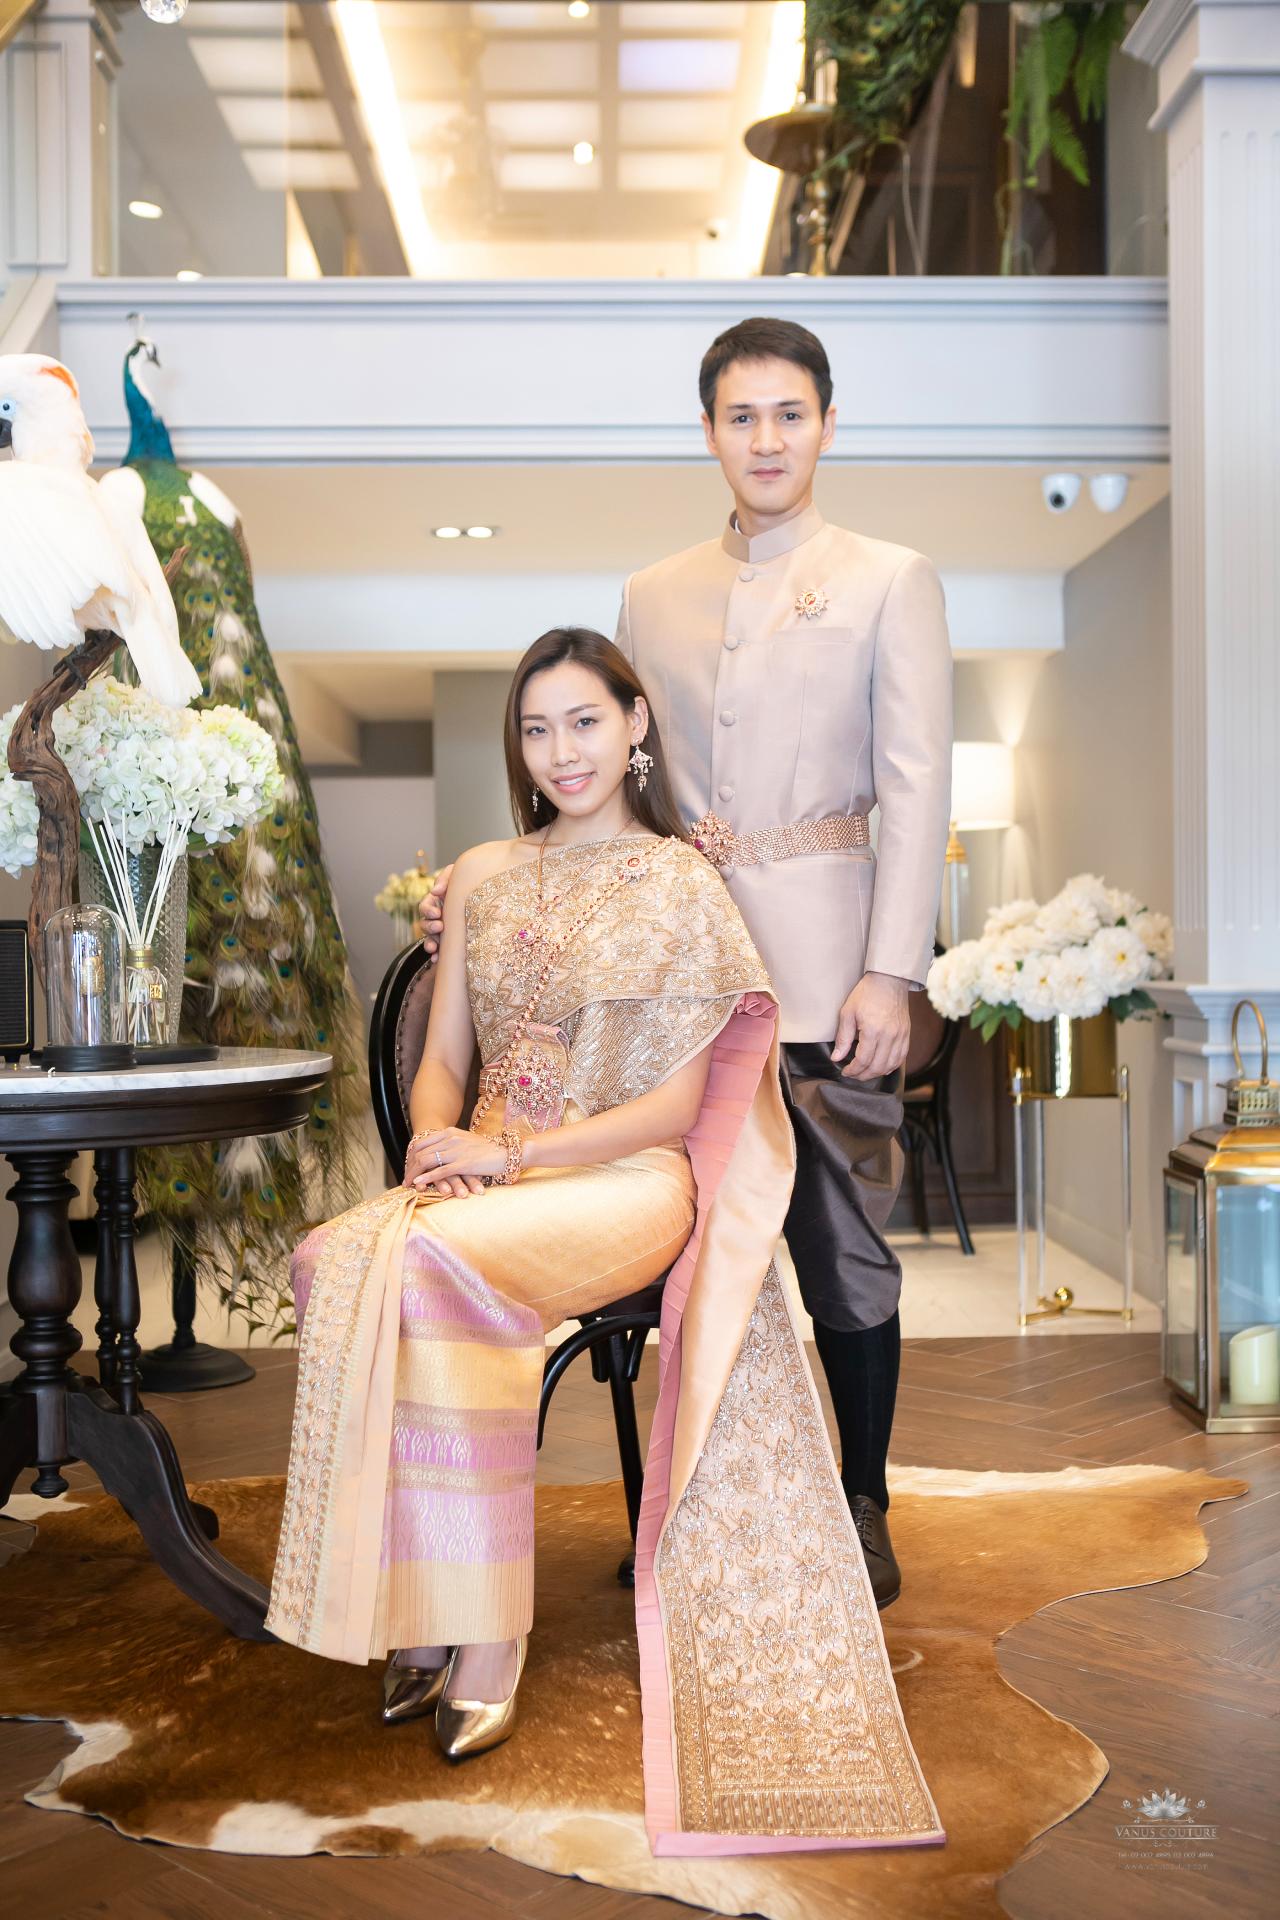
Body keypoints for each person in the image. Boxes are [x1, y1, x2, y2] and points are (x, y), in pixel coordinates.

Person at [272, 628, 941, 1853]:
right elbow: (443, 1058)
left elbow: (677, 1111)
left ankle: (483, 1630)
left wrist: (511, 1160)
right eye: (536, 729)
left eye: (584, 721)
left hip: (622, 1183)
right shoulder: (481, 872)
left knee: (432, 1262)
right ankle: (423, 1602)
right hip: (483, 1174)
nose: (560, 751)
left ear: (634, 726)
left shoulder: (679, 882)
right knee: (333, 1258)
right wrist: (435, 1140)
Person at [424, 318, 953, 1609]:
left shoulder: (891, 578)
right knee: (685, 1260)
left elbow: (914, 784)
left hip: (827, 977)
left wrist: (892, 970)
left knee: (840, 1251)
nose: (765, 439)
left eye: (789, 413)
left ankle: (863, 1501)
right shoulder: (649, 594)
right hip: (667, 987)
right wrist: (483, 894)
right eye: (740, 416)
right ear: (708, 431)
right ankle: (694, 1507)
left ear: (826, 424)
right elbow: (609, 790)